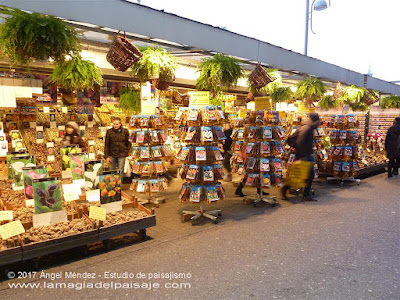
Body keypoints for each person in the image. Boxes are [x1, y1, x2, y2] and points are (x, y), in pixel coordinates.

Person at [282, 112, 321, 201]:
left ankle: (303, 193)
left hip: (306, 154)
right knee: (304, 175)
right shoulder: (306, 129)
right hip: (304, 155)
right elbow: (300, 142)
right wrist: (303, 155)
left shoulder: (307, 127)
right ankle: (288, 189)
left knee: (303, 175)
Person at [105, 117, 131, 182]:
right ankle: (111, 184)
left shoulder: (125, 131)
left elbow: (128, 142)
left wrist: (126, 151)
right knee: (112, 170)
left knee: (120, 170)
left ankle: (119, 185)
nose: (115, 126)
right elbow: (106, 144)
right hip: (112, 154)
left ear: (120, 124)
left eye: (117, 124)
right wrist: (106, 156)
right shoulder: (109, 132)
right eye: (114, 124)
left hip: (122, 154)